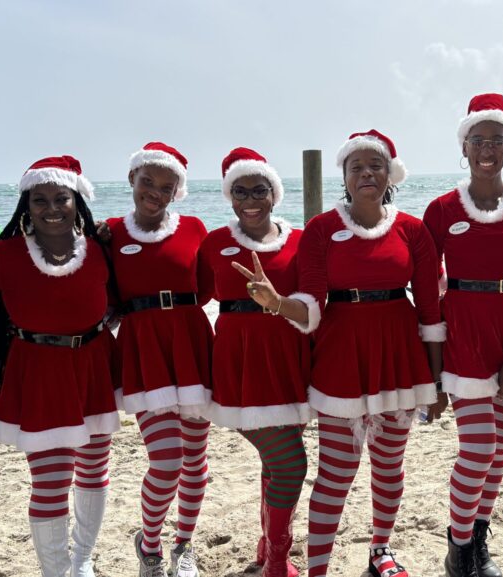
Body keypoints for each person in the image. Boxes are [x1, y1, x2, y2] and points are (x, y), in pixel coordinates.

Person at [264, 129, 443, 577]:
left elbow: (430, 311)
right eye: (356, 166)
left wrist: (437, 382)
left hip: (399, 358)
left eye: (375, 165)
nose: (366, 172)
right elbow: (310, 306)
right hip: (341, 359)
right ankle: (318, 569)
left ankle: (380, 550)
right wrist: (276, 305)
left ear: (390, 174)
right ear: (343, 176)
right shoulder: (322, 230)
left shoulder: (412, 229)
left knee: (389, 466)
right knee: (335, 474)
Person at [0, 156, 120, 577]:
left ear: (77, 202)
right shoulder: (4, 254)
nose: (51, 207)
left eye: (61, 198)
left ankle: (82, 559)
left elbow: (127, 292)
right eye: (39, 200)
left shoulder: (101, 248)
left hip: (93, 367)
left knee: (93, 469)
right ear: (26, 206)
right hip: (37, 374)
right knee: (50, 482)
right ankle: (56, 571)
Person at [422, 93, 503, 577]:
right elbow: (425, 287)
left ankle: (478, 542)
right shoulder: (439, 209)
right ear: (465, 145)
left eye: (497, 139)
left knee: (497, 450)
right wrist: (431, 371)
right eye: (478, 139)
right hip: (463, 335)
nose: (487, 148)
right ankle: (459, 550)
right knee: (477, 447)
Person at [199, 147, 311, 577]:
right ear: (229, 196)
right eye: (240, 191)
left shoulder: (299, 241)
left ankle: (267, 546)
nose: (250, 199)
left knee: (273, 465)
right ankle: (278, 563)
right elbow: (190, 296)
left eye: (259, 189)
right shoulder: (214, 243)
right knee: (291, 465)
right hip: (241, 365)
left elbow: (314, 300)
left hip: (290, 361)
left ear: (274, 193)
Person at [106, 142, 210, 577]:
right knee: (167, 460)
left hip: (190, 344)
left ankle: (183, 545)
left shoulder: (195, 228)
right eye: (147, 181)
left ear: (177, 191)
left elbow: (207, 288)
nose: (155, 191)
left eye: (166, 186)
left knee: (196, 460)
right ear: (132, 180)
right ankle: (149, 545)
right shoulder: (109, 232)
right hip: (142, 350)